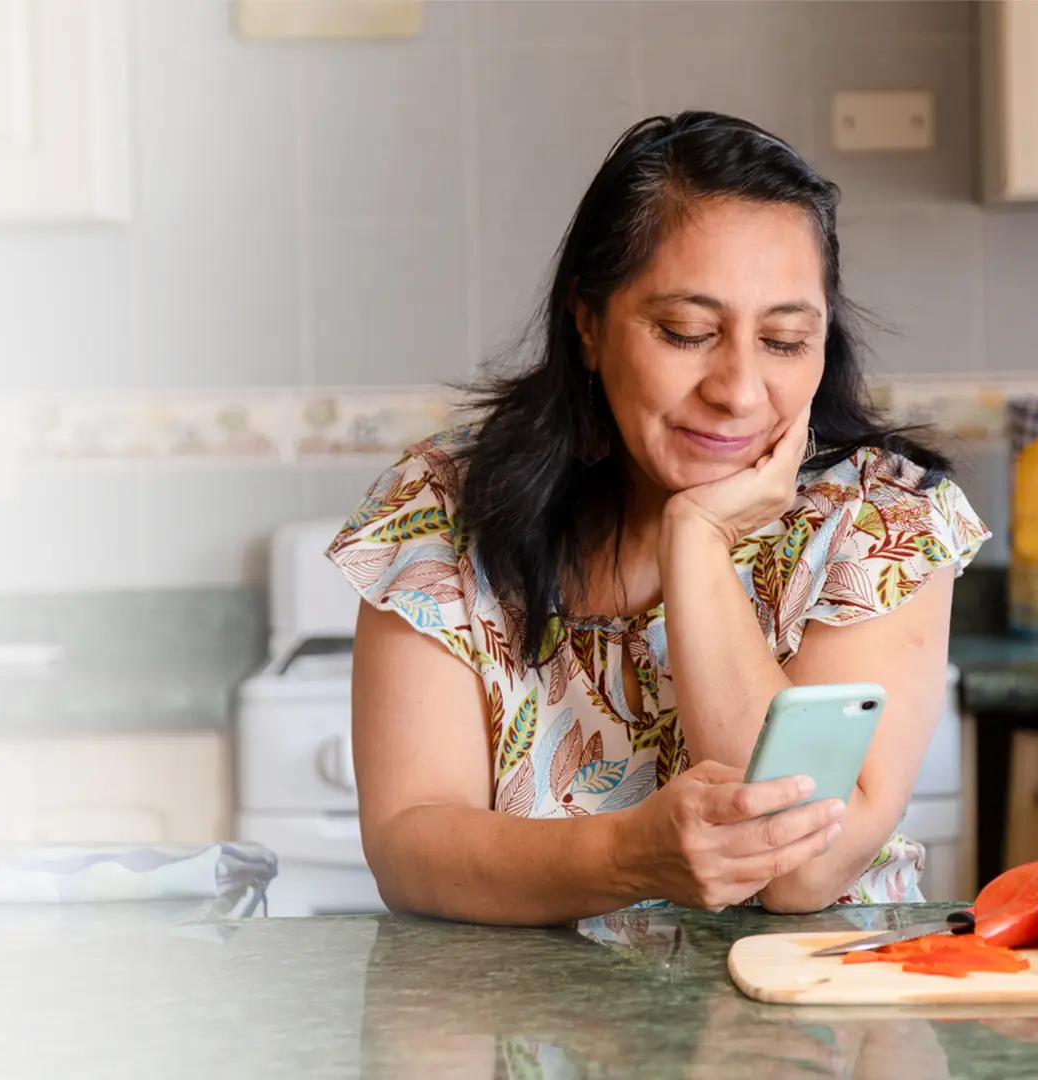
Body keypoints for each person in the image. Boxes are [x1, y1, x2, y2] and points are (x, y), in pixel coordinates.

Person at [331, 111, 989, 924]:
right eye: (687, 331)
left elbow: (798, 869)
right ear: (588, 323)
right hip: (524, 1034)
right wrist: (627, 856)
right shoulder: (440, 509)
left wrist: (699, 545)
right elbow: (410, 844)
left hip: (814, 1034)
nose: (739, 389)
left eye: (784, 341)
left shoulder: (885, 521)